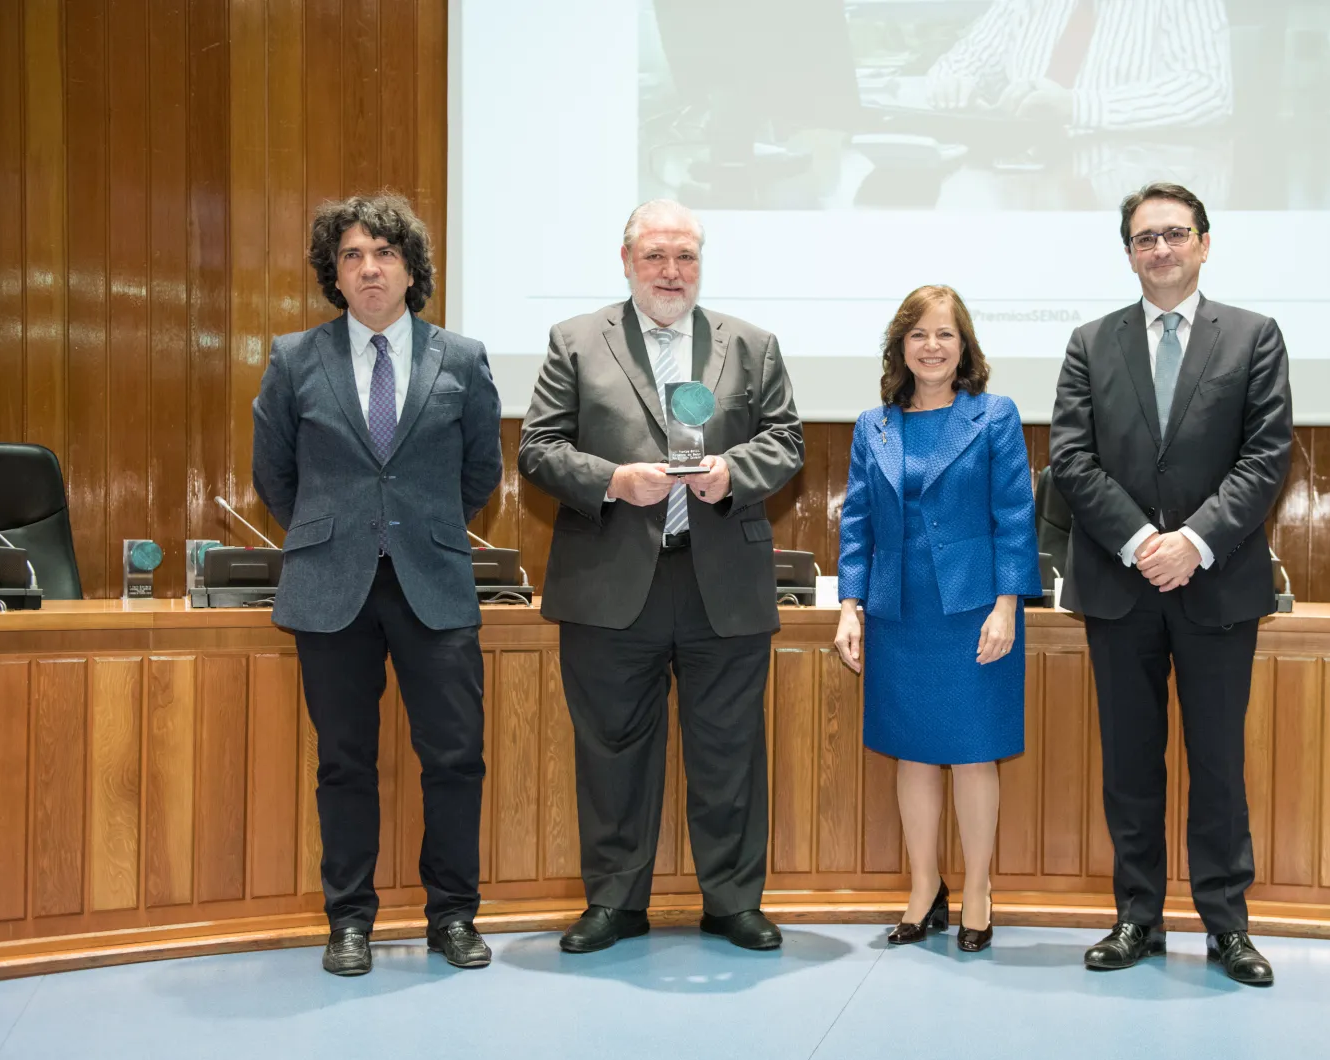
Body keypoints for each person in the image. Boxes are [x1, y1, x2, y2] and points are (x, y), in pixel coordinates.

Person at [519, 199, 805, 953]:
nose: (671, 271)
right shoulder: (576, 341)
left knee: (730, 749)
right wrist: (614, 480)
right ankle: (615, 901)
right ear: (626, 261)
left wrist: (731, 472)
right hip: (610, 581)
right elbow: (538, 448)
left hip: (722, 583)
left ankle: (733, 901)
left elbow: (786, 441)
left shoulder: (752, 344)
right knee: (611, 750)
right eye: (655, 255)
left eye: (686, 257)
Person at [252, 193, 503, 976]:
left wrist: (418, 525)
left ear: (411, 270)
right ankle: (349, 920)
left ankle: (452, 915)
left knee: (455, 758)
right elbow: (275, 474)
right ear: (334, 273)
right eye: (353, 255)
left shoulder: (462, 358)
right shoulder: (295, 358)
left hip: (433, 580)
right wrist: (341, 530)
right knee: (344, 762)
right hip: (332, 586)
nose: (369, 268)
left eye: (385, 253)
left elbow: (481, 470)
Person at [1050, 182, 1291, 985]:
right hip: (1120, 584)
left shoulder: (1254, 337)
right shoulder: (1091, 343)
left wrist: (1192, 541)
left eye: (1175, 234)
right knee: (1130, 764)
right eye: (1145, 238)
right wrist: (1139, 541)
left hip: (1217, 583)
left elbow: (1266, 456)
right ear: (1129, 254)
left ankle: (1227, 925)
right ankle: (1137, 915)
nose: (1160, 249)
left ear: (1204, 243)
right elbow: (1071, 458)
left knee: (1218, 762)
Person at [835, 285, 1040, 953]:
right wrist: (849, 606)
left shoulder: (994, 416)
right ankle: (925, 889)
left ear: (964, 346)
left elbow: (1015, 516)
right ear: (900, 346)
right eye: (918, 333)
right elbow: (858, 523)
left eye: (945, 333)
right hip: (899, 612)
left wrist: (1007, 606)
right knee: (914, 753)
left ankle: (979, 890)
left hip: (976, 612)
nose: (931, 345)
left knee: (975, 754)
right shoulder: (873, 425)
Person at [924, 0, 1232, 134]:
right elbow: (961, 64)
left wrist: (1077, 106)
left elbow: (1208, 90)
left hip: (1135, 191)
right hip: (1026, 177)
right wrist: (954, 84)